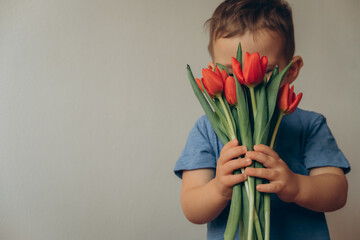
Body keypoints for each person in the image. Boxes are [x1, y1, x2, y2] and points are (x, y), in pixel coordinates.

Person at [174, 0, 351, 239]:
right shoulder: (206, 130)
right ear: (214, 72)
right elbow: (191, 207)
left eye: (265, 70)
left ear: (291, 70)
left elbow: (337, 193)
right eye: (230, 73)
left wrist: (297, 186)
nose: (246, 83)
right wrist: (219, 188)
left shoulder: (310, 125)